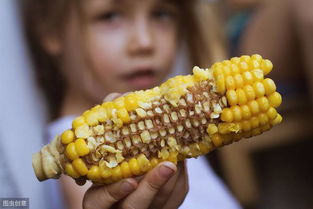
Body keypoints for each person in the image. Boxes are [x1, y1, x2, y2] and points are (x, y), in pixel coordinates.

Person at [22, 0, 241, 208]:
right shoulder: (84, 166)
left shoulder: (183, 131)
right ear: (52, 31)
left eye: (161, 14)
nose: (145, 42)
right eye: (110, 16)